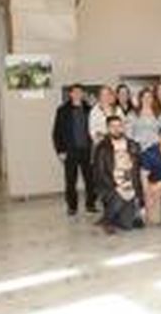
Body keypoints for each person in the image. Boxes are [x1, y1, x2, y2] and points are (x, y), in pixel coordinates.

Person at [93, 115, 144, 234]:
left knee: (128, 226)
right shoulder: (102, 147)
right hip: (111, 186)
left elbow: (137, 170)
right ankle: (108, 221)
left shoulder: (133, 145)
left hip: (130, 185)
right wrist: (116, 187)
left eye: (119, 126)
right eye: (113, 126)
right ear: (108, 128)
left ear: (123, 127)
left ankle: (115, 216)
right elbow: (100, 173)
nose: (116, 129)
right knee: (118, 199)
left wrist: (137, 191)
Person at [53, 83, 97, 216]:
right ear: (70, 94)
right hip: (70, 151)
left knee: (90, 179)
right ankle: (72, 207)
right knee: (70, 180)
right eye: (75, 92)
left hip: (87, 150)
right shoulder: (62, 110)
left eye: (80, 92)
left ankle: (91, 205)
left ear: (83, 94)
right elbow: (56, 132)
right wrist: (60, 150)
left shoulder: (90, 109)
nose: (78, 94)